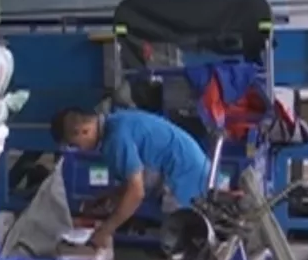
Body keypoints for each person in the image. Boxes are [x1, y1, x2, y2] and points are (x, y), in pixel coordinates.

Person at [49, 107, 211, 250]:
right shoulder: (116, 122)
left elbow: (136, 193)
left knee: (184, 245)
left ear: (84, 131)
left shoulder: (116, 139)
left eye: (76, 145)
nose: (80, 150)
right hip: (193, 170)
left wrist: (105, 230)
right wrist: (113, 196)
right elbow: (137, 175)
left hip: (187, 180)